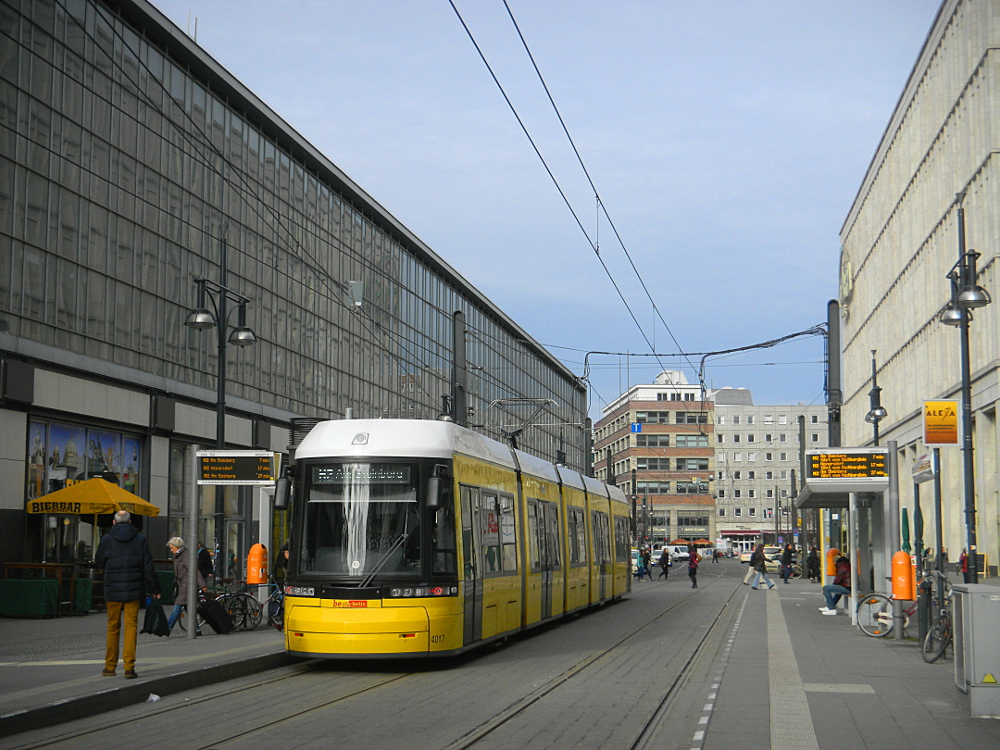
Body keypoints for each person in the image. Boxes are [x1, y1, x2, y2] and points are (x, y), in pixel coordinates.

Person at [95, 510, 160, 679]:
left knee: (113, 627)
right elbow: (148, 566)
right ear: (130, 522)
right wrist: (155, 589)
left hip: (112, 590)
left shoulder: (107, 539)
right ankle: (129, 667)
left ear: (114, 522)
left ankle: (110, 667)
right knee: (131, 628)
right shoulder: (140, 539)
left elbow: (98, 562)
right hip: (134, 590)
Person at [166, 537, 206, 634]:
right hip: (183, 585)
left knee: (177, 608)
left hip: (187, 586)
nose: (171, 550)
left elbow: (195, 571)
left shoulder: (185, 556)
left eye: (172, 548)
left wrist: (202, 585)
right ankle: (197, 629)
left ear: (177, 547)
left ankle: (167, 628)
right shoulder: (180, 555)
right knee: (189, 608)